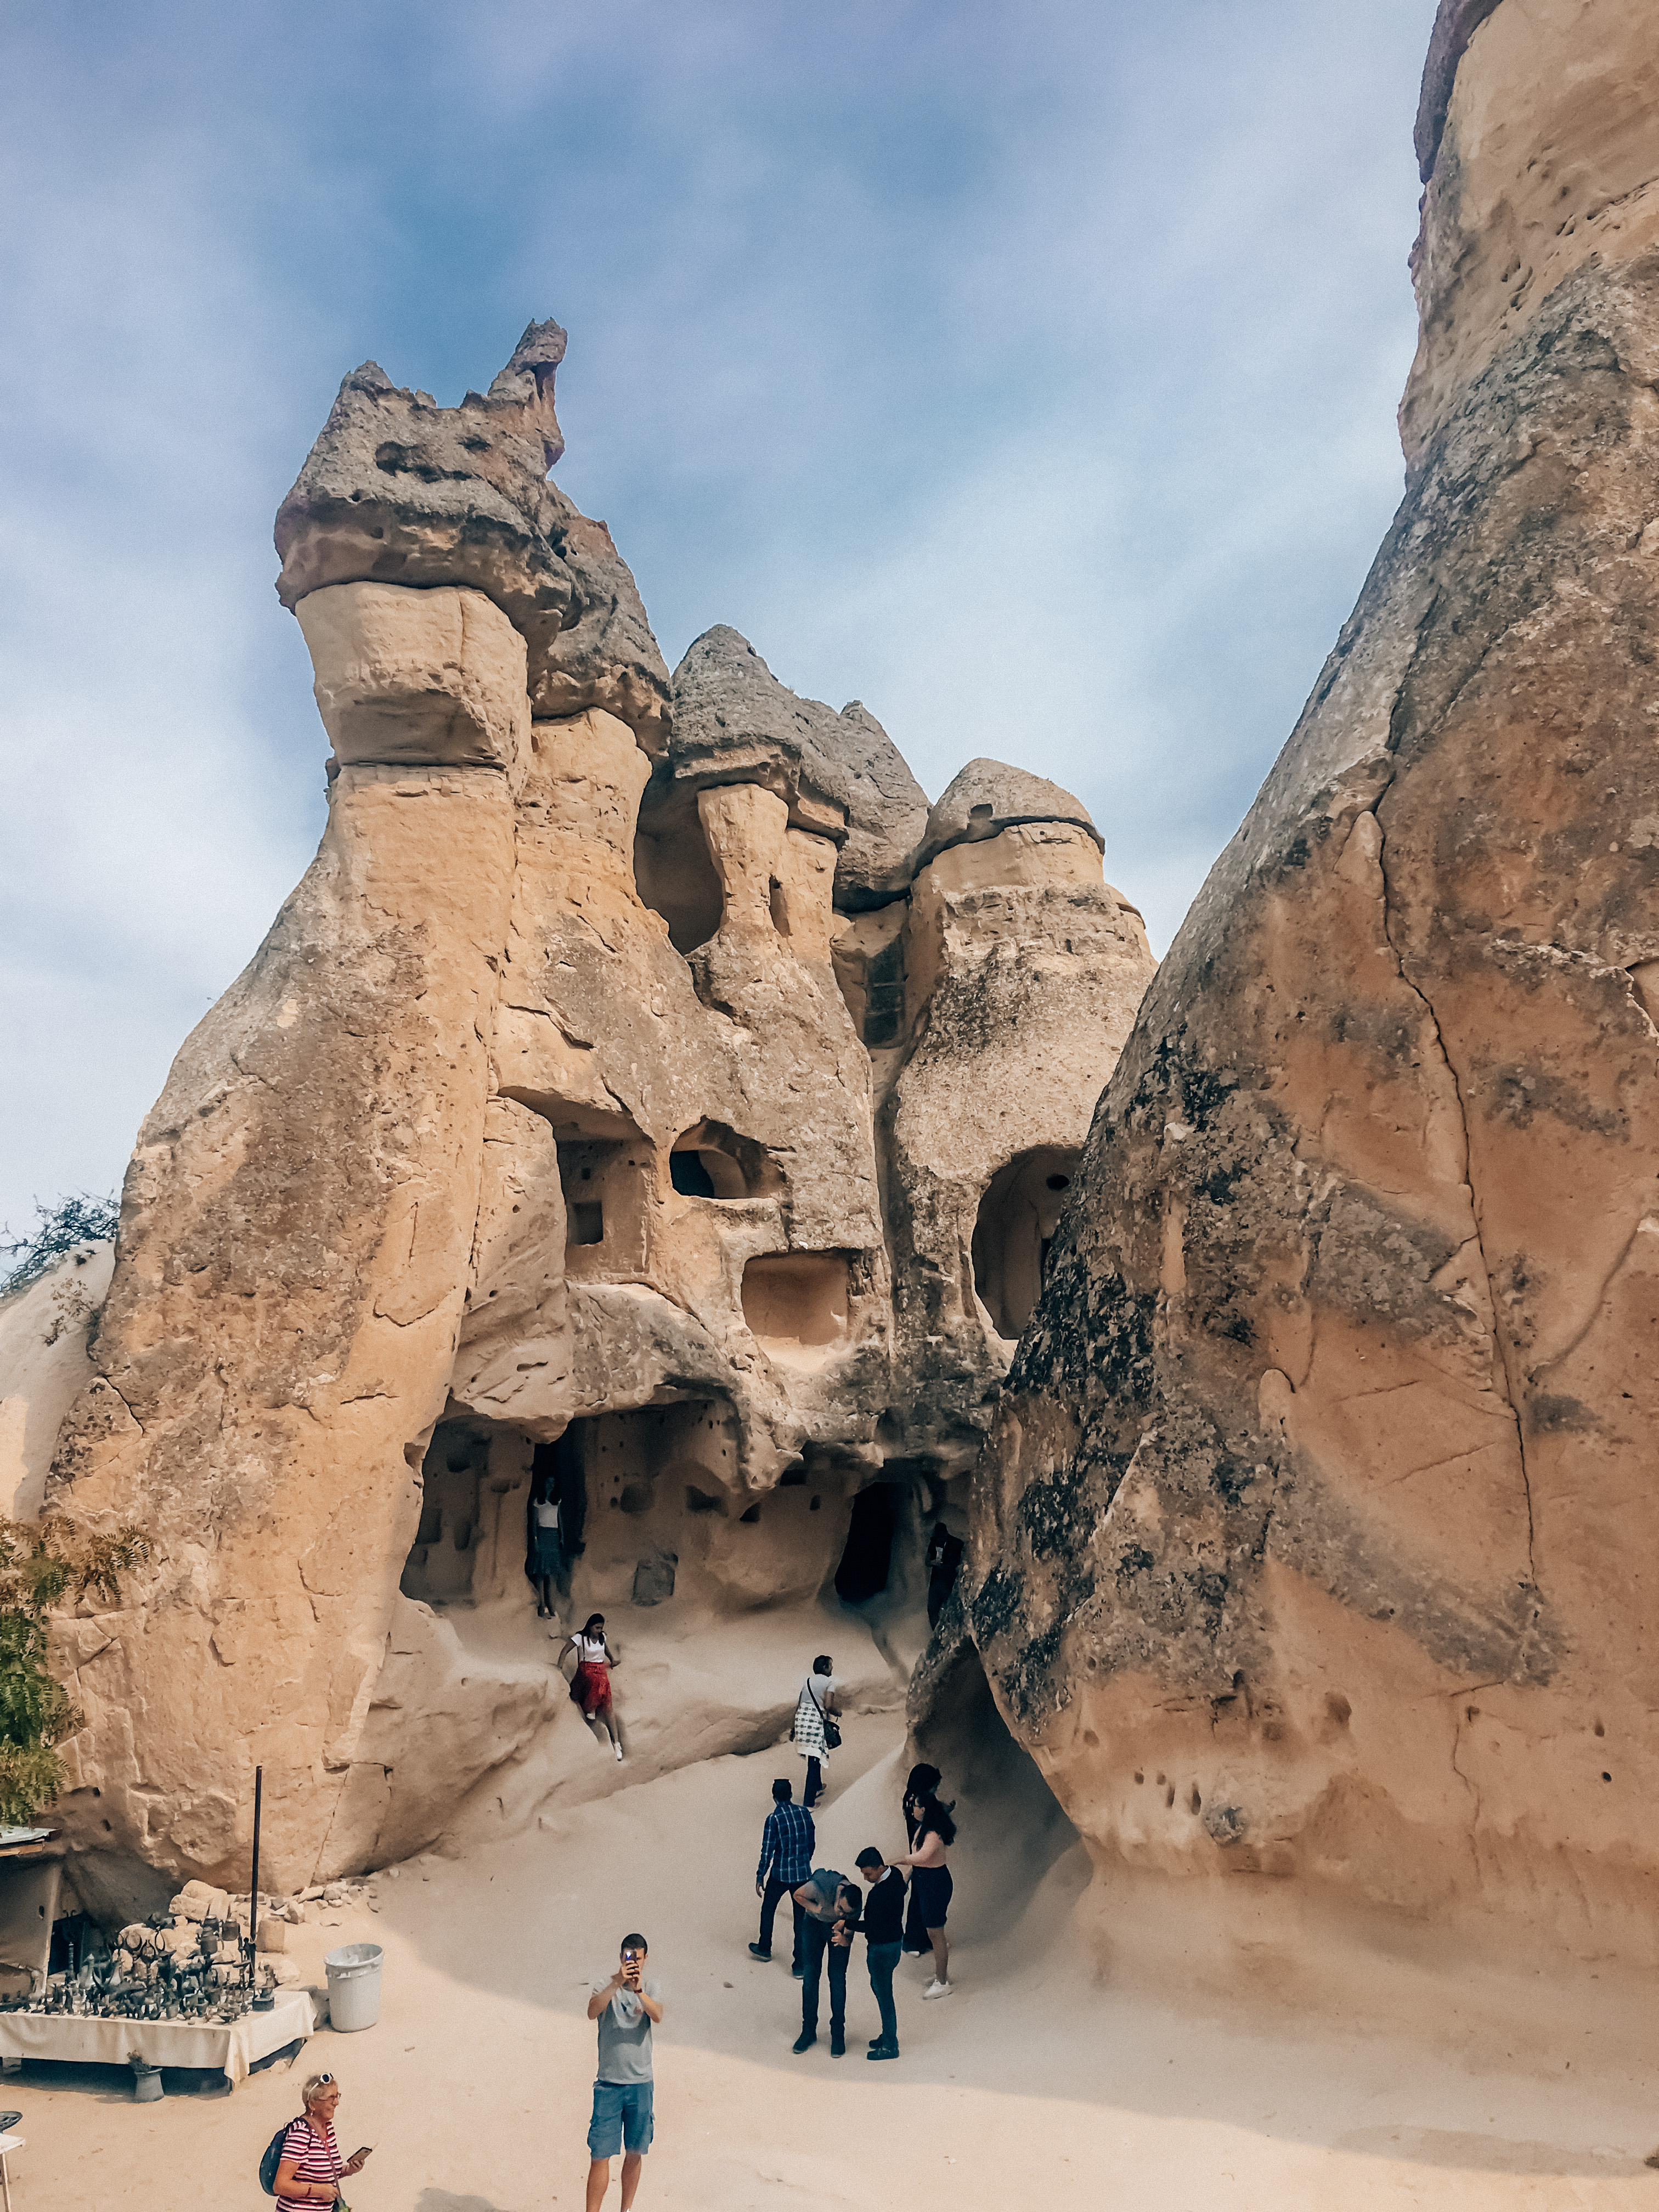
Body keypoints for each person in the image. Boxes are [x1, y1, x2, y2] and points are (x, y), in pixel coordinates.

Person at [585, 1933, 663, 2212]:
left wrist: (640, 1991)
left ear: (645, 1959)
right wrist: (617, 1982)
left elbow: (658, 2015)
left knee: (635, 2151)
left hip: (641, 2084)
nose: (633, 1963)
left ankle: (625, 2210)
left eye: (638, 1958)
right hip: (608, 2084)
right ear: (621, 1957)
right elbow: (593, 2011)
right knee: (600, 2154)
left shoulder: (650, 1986)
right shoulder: (604, 1986)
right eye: (628, 1957)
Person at [274, 2073, 371, 2210]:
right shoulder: (301, 2133)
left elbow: (321, 2172)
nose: (336, 2103)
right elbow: (280, 2185)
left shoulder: (328, 2129)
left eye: (337, 2096)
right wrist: (318, 2190)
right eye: (331, 2098)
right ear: (313, 2104)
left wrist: (349, 2170)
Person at [893, 1786, 956, 1999]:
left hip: (935, 1884)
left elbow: (923, 1856)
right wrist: (908, 1874)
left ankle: (943, 1981)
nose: (913, 1810)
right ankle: (941, 1975)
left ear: (926, 1809)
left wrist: (898, 1860)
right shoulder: (924, 1828)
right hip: (926, 1881)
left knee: (936, 1934)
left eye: (916, 1806)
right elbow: (919, 1857)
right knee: (933, 1932)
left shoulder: (933, 1832)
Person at [790, 1863, 854, 2056]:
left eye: (846, 1912)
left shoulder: (853, 1900)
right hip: (813, 1926)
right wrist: (816, 1908)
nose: (841, 1914)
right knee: (810, 1978)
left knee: (837, 1980)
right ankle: (808, 2030)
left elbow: (851, 1928)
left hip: (836, 1931)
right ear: (838, 1896)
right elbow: (798, 1894)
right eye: (840, 1909)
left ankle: (838, 2034)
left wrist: (845, 1938)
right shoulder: (820, 1886)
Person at [750, 1776, 814, 1971]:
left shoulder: (774, 1819)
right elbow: (811, 1842)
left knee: (768, 1909)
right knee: (800, 1918)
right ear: (792, 1794)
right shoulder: (804, 1812)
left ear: (774, 1797)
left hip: (780, 1874)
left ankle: (765, 1947)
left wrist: (761, 1874)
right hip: (802, 1875)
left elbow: (767, 1850)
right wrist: (804, 1861)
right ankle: (800, 1964)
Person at [855, 1848, 907, 2059]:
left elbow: (871, 1926)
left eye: (869, 1874)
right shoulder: (894, 1875)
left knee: (884, 1994)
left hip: (881, 1948)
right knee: (880, 1988)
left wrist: (848, 1923)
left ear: (879, 1868)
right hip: (895, 1942)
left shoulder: (878, 1894)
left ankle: (889, 2045)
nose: (866, 1878)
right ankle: (888, 2033)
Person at [564, 1613, 624, 1760]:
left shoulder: (602, 1637)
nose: (599, 1630)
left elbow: (605, 1649)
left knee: (608, 1705)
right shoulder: (581, 1638)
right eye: (597, 1627)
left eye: (601, 1628)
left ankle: (617, 1743)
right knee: (596, 1681)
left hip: (599, 1670)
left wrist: (612, 1660)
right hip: (585, 1671)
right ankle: (591, 1708)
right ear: (590, 1626)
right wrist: (559, 1666)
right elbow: (565, 1650)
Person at [790, 1654, 840, 1809]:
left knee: (814, 1756)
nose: (832, 1668)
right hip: (815, 1724)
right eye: (831, 1665)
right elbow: (828, 1705)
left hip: (802, 1721)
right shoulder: (829, 1682)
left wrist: (794, 1728)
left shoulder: (807, 1681)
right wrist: (838, 1712)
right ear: (825, 1668)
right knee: (813, 1762)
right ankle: (809, 1802)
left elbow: (800, 1704)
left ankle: (817, 1786)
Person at [528, 1469, 566, 1621]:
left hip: (553, 1536)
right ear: (543, 1484)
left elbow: (560, 1519)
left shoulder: (557, 1501)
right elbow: (534, 1522)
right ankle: (541, 1604)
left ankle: (550, 1605)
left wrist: (561, 1536)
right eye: (548, 1482)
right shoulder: (538, 1501)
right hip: (542, 1535)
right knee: (540, 1572)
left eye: (553, 1482)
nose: (551, 1485)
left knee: (550, 1573)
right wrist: (535, 1539)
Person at [924, 1522, 964, 1628]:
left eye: (942, 1538)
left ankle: (950, 1633)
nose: (940, 1541)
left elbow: (961, 1559)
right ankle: (937, 1633)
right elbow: (927, 1561)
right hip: (936, 1582)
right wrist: (934, 1562)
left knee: (949, 1609)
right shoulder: (934, 1542)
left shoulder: (955, 1543)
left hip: (948, 1582)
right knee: (932, 1609)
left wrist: (950, 1566)